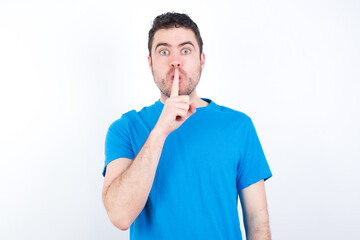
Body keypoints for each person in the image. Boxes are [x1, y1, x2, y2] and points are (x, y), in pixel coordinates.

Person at [102, 12, 272, 240]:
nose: (175, 61)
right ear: (150, 63)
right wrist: (160, 130)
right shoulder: (125, 128)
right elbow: (120, 215)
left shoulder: (239, 126)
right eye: (164, 51)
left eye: (185, 50)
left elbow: (257, 222)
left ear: (201, 60)